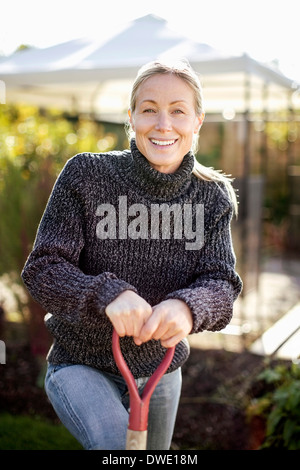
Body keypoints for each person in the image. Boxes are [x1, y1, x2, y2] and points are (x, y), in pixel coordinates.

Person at [21, 59, 242, 450]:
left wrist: (188, 307)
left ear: (197, 122)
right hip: (81, 364)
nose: (163, 124)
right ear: (131, 118)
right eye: (149, 110)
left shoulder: (211, 197)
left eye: (178, 111)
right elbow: (43, 268)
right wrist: (108, 295)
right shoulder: (87, 176)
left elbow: (221, 282)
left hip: (161, 369)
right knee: (117, 447)